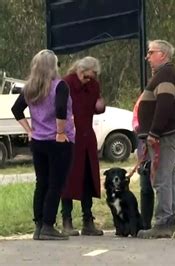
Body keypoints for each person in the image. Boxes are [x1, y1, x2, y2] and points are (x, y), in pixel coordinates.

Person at [11, 49, 74, 240]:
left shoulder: (30, 87)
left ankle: (38, 225)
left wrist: (29, 130)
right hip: (58, 141)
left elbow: (16, 109)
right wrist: (61, 132)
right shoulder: (59, 86)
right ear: (52, 66)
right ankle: (48, 224)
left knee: (42, 183)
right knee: (56, 183)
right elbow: (61, 109)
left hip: (38, 141)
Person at [136, 40, 175, 238]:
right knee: (167, 177)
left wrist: (154, 133)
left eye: (151, 52)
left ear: (162, 54)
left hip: (163, 136)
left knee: (162, 178)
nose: (147, 57)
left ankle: (164, 222)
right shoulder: (164, 75)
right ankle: (168, 219)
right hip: (163, 134)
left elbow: (164, 106)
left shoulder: (165, 75)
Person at [60, 56, 105, 236]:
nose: (91, 79)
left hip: (87, 136)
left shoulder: (93, 85)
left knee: (88, 178)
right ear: (81, 69)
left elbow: (95, 106)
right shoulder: (66, 83)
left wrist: (100, 106)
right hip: (70, 137)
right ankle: (67, 221)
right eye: (89, 75)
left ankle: (88, 220)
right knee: (69, 179)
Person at [133, 92, 175, 230]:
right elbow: (136, 114)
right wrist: (140, 130)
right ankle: (145, 223)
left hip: (165, 140)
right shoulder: (147, 94)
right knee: (146, 182)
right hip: (145, 138)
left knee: (166, 179)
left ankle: (167, 219)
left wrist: (159, 133)